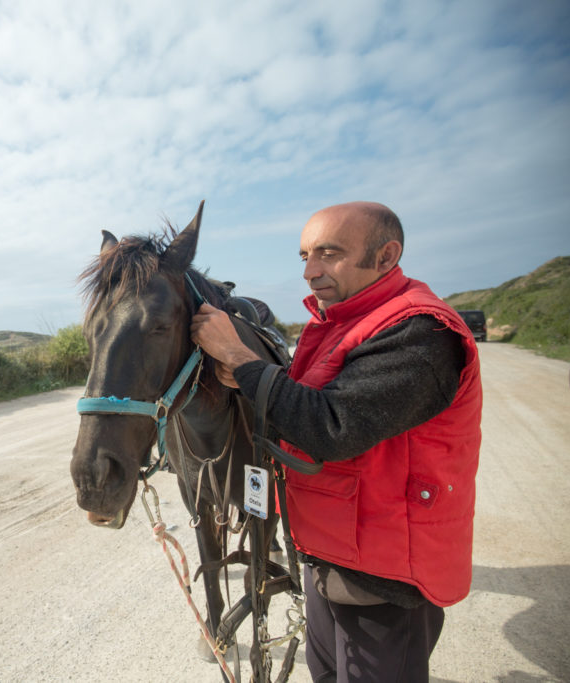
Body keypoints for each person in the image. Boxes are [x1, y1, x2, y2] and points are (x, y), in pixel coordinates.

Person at [190, 201, 482, 683]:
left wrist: (241, 358)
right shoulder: (343, 323)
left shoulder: (420, 332)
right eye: (304, 255)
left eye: (328, 254)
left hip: (383, 577)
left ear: (386, 256)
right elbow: (309, 396)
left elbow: (331, 426)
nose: (310, 271)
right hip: (333, 554)